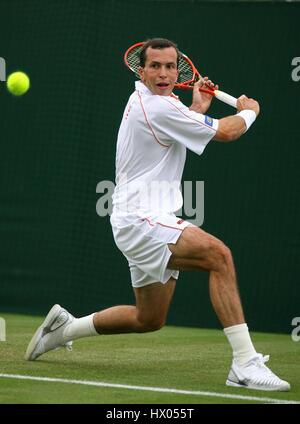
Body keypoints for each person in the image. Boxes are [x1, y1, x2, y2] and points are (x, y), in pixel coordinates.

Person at [25, 38, 290, 392]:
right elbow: (227, 132)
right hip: (142, 219)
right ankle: (244, 364)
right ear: (141, 70)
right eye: (155, 66)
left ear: (178, 70)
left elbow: (178, 129)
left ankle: (63, 329)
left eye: (170, 66)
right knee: (219, 256)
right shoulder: (158, 107)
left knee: (148, 318)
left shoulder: (157, 104)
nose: (164, 73)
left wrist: (197, 107)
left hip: (138, 219)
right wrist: (249, 110)